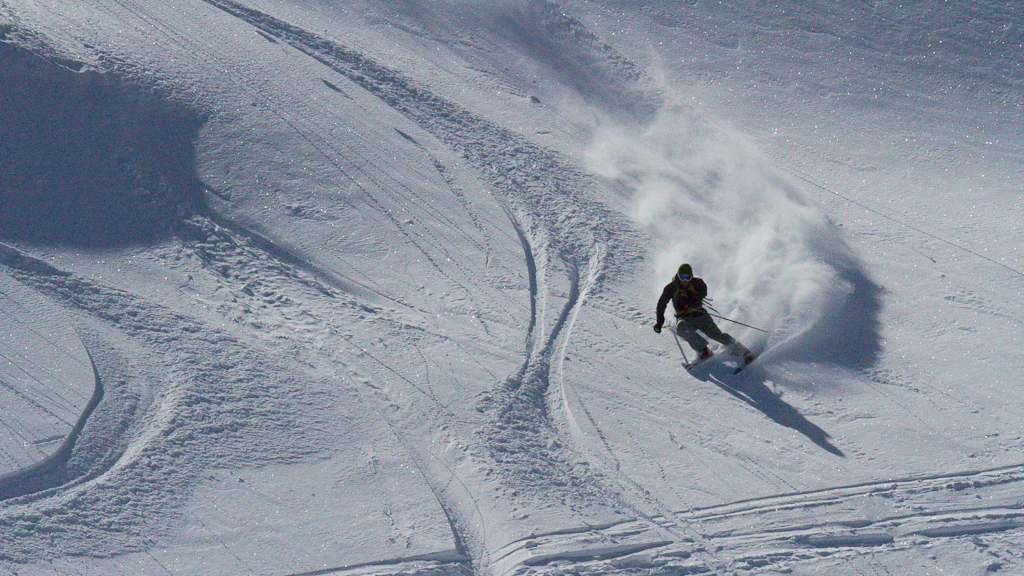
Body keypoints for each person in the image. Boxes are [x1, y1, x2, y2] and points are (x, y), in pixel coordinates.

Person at [654, 263, 755, 365]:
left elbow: (703, 291)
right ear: (678, 276)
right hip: (685, 318)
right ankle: (704, 351)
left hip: (700, 315)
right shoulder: (671, 288)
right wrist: (659, 322)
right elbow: (661, 304)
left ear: (691, 277)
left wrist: (692, 299)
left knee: (716, 335)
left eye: (688, 277)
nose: (685, 280)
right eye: (682, 277)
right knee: (681, 327)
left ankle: (742, 350)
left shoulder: (697, 283)